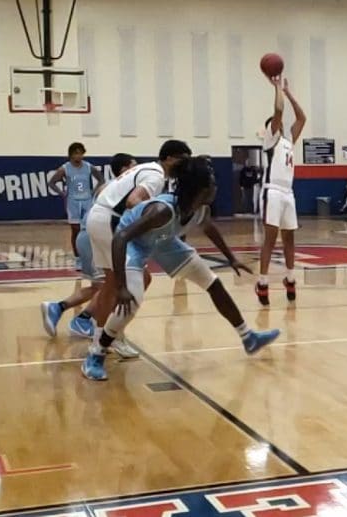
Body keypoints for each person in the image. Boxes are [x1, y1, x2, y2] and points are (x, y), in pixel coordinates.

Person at [82, 157, 278, 380]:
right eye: (212, 183)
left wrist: (231, 258)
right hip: (133, 245)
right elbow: (120, 238)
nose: (215, 187)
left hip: (164, 241)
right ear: (201, 189)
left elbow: (209, 228)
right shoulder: (161, 210)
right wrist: (121, 285)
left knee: (212, 282)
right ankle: (95, 355)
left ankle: (248, 338)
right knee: (132, 299)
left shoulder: (199, 208)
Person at [86, 139, 192, 358]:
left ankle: (103, 336)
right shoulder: (156, 176)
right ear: (170, 158)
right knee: (138, 279)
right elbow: (133, 202)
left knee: (112, 283)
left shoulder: (145, 168)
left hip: (98, 216)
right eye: (183, 160)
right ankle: (111, 336)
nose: (186, 166)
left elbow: (107, 191)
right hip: (110, 221)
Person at [41, 153, 136, 339]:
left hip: (91, 236)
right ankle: (82, 319)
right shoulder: (120, 189)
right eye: (135, 165)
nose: (138, 169)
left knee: (102, 286)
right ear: (125, 169)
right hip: (94, 237)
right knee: (109, 286)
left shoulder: (110, 186)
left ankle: (59, 309)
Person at [256, 76, 306, 306]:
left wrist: (288, 92)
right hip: (272, 191)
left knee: (289, 239)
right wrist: (276, 88)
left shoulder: (288, 141)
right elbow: (278, 111)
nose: (279, 125)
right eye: (275, 124)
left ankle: (290, 277)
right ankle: (263, 282)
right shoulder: (271, 140)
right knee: (270, 238)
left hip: (288, 193)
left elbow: (302, 118)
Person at [48, 142, 104, 269]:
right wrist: (62, 194)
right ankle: (78, 259)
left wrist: (93, 192)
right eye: (76, 153)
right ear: (70, 155)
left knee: (90, 230)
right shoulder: (65, 168)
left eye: (81, 153)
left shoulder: (88, 166)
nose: (79, 156)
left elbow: (101, 179)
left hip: (87, 201)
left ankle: (91, 257)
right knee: (76, 231)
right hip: (73, 202)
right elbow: (51, 183)